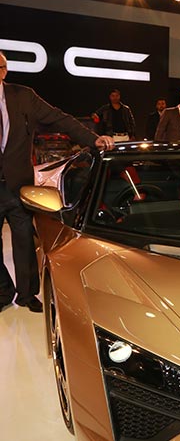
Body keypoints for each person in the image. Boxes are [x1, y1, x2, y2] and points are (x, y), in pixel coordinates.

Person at [0, 51, 115, 313]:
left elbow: (59, 118)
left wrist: (92, 139)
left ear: (4, 71)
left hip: (18, 185)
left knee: (24, 240)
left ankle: (27, 294)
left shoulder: (23, 96)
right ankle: (3, 290)